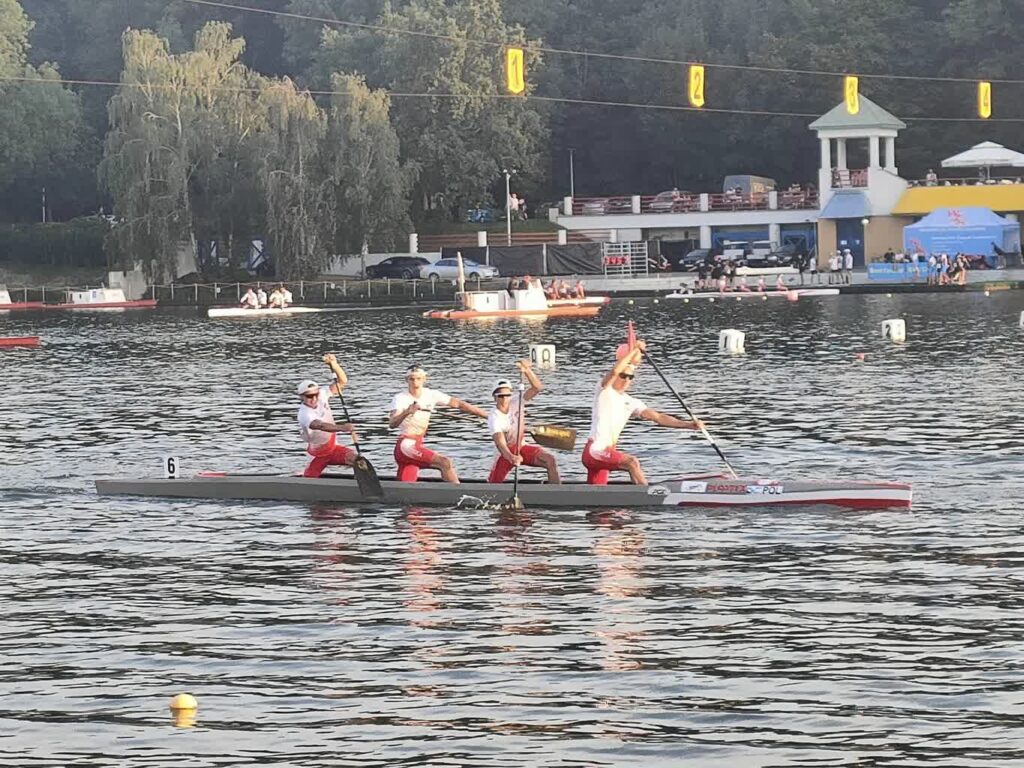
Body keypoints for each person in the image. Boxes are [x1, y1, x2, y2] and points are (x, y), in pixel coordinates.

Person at [582, 341, 704, 485]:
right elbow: (615, 371)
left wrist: (689, 425)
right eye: (623, 376)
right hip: (595, 451)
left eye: (630, 377)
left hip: (606, 453)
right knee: (632, 462)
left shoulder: (631, 402)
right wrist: (634, 351)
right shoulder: (604, 391)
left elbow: (658, 417)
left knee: (597, 494)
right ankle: (649, 497)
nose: (627, 380)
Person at [389, 364, 488, 483]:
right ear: (406, 380)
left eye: (418, 378)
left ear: (425, 379)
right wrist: (407, 412)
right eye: (411, 379)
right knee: (445, 463)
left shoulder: (431, 394)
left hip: (417, 445)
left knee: (405, 490)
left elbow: (459, 404)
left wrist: (488, 416)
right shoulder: (400, 398)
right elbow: (392, 424)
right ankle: (459, 497)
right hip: (406, 446)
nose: (415, 382)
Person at [487, 361, 560, 484]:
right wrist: (511, 457)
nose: (505, 399)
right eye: (500, 396)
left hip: (522, 447)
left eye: (507, 395)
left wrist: (527, 371)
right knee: (494, 485)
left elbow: (537, 388)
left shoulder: (517, 401)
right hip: (505, 453)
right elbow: (501, 444)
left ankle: (559, 495)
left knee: (550, 460)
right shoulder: (495, 417)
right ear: (494, 397)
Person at [296, 354, 357, 478]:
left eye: (315, 394)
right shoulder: (304, 414)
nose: (313, 398)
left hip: (333, 447)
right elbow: (320, 425)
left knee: (357, 460)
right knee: (310, 479)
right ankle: (305, 478)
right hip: (317, 452)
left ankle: (362, 485)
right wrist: (343, 427)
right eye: (309, 396)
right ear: (301, 397)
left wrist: (334, 365)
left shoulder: (323, 394)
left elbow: (342, 382)